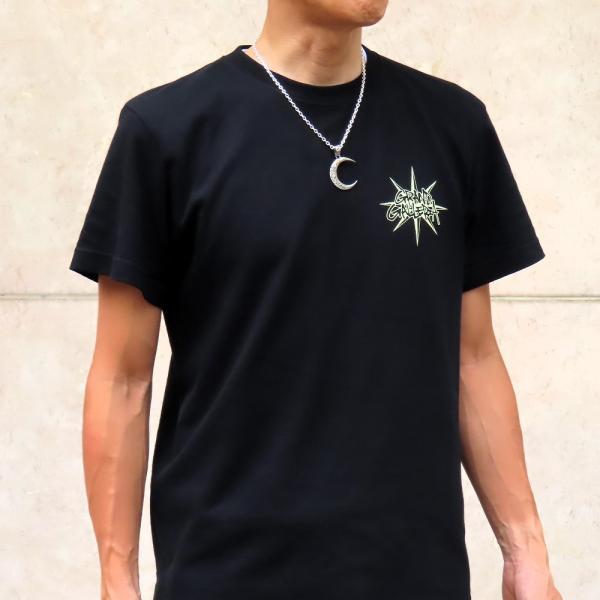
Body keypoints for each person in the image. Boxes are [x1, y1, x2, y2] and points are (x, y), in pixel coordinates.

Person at [69, 1, 563, 598]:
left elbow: (473, 357)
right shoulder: (166, 131)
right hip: (227, 573)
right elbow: (122, 379)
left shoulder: (452, 125)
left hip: (412, 574)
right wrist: (117, 579)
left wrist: (525, 551)